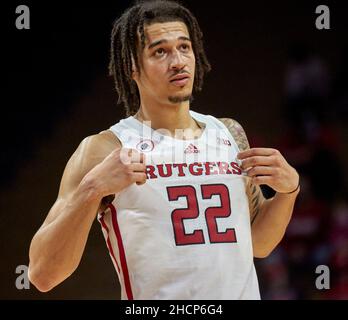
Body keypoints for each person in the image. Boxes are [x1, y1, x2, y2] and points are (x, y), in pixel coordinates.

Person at [28, 0, 300, 300]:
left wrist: (289, 192)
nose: (178, 61)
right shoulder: (106, 148)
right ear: (131, 66)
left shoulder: (229, 134)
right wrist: (91, 189)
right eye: (160, 51)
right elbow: (42, 274)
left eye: (184, 47)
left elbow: (259, 243)